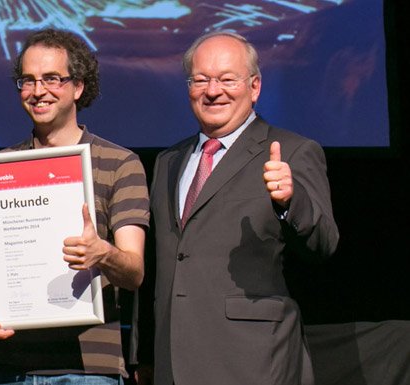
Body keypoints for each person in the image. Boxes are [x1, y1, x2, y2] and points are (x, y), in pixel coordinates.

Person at [0, 29, 150, 385]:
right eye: (27, 80)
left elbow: (134, 271)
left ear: (78, 87)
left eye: (52, 79)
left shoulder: (120, 163)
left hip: (86, 371)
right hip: (6, 366)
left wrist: (102, 253)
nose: (38, 91)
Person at [148, 31, 339, 385]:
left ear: (254, 87)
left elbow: (324, 243)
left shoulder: (293, 151)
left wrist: (290, 201)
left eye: (227, 79)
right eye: (201, 79)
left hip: (253, 359)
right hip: (172, 361)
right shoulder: (167, 161)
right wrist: (144, 354)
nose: (213, 90)